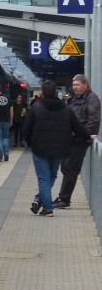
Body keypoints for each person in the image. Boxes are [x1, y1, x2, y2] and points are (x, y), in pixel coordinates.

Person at [25, 80, 88, 217]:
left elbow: (26, 130)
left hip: (40, 150)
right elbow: (78, 128)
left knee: (43, 178)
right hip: (60, 150)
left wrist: (31, 144)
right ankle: (39, 200)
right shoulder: (67, 109)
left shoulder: (36, 108)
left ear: (42, 93)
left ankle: (47, 208)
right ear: (55, 92)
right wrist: (88, 137)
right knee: (51, 176)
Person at [54, 73, 100, 209]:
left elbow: (94, 120)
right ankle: (62, 196)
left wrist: (85, 135)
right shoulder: (77, 98)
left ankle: (64, 199)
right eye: (73, 85)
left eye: (78, 85)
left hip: (79, 140)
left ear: (86, 85)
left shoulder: (91, 99)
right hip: (71, 138)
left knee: (71, 169)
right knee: (66, 167)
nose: (75, 88)